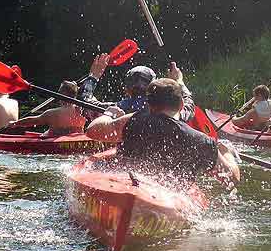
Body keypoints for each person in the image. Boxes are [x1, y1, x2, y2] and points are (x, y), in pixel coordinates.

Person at [86, 78, 240, 185]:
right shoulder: (202, 141)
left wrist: (109, 114)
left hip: (128, 183)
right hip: (169, 196)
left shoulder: (133, 120)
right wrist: (226, 152)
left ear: (149, 105)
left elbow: (92, 131)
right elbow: (231, 179)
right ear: (181, 105)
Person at [78, 53, 196, 122]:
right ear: (153, 86)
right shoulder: (169, 111)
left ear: (126, 89)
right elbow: (189, 106)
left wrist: (93, 77)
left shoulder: (118, 109)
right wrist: (179, 82)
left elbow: (85, 102)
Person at [7, 81, 85, 137]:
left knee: (45, 134)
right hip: (76, 140)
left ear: (60, 94)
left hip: (53, 146)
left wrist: (15, 123)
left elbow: (33, 121)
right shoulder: (82, 111)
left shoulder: (52, 113)